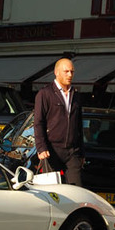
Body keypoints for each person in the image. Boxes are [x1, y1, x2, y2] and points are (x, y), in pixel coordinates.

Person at [34, 58, 84, 186]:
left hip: (72, 152)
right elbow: (38, 122)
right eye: (66, 71)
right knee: (54, 192)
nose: (70, 75)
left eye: (72, 72)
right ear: (56, 72)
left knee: (76, 190)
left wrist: (81, 152)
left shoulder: (75, 94)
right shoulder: (45, 94)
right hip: (52, 150)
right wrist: (41, 147)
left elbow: (79, 125)